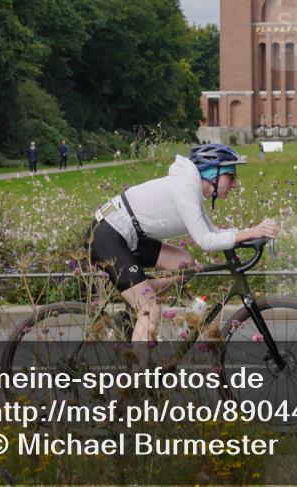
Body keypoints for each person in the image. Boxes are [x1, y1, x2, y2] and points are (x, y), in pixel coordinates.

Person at [86, 143, 279, 344]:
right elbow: (206, 241)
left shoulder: (192, 189)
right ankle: (139, 373)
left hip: (127, 235)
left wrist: (255, 232)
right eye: (231, 177)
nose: (236, 184)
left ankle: (135, 305)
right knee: (150, 309)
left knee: (184, 263)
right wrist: (252, 232)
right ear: (214, 174)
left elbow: (214, 232)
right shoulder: (186, 190)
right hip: (107, 234)